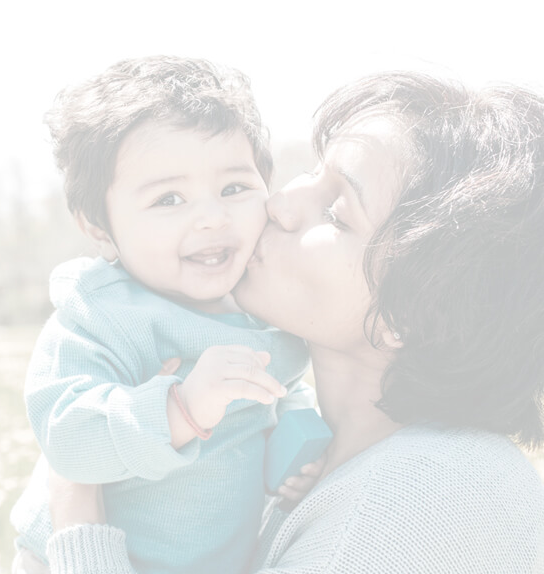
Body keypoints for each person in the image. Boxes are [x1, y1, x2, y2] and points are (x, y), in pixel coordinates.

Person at [45, 71, 544, 573]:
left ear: (416, 310)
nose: (278, 203)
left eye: (335, 211)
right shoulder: (335, 466)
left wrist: (77, 528)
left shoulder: (421, 500)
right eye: (311, 171)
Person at [10, 56, 314, 574]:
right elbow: (66, 440)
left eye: (234, 189)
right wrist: (181, 408)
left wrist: (299, 435)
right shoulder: (102, 315)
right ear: (99, 227)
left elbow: (284, 380)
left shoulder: (262, 301)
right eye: (169, 199)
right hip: (67, 557)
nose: (212, 218)